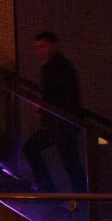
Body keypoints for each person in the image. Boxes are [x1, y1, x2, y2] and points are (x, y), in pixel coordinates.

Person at [22, 32, 87, 193]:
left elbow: (59, 95)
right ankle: (78, 196)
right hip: (63, 122)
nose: (39, 51)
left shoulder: (55, 67)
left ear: (53, 45)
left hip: (60, 122)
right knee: (71, 162)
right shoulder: (60, 65)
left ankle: (49, 190)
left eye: (42, 46)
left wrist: (42, 105)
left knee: (34, 149)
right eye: (37, 48)